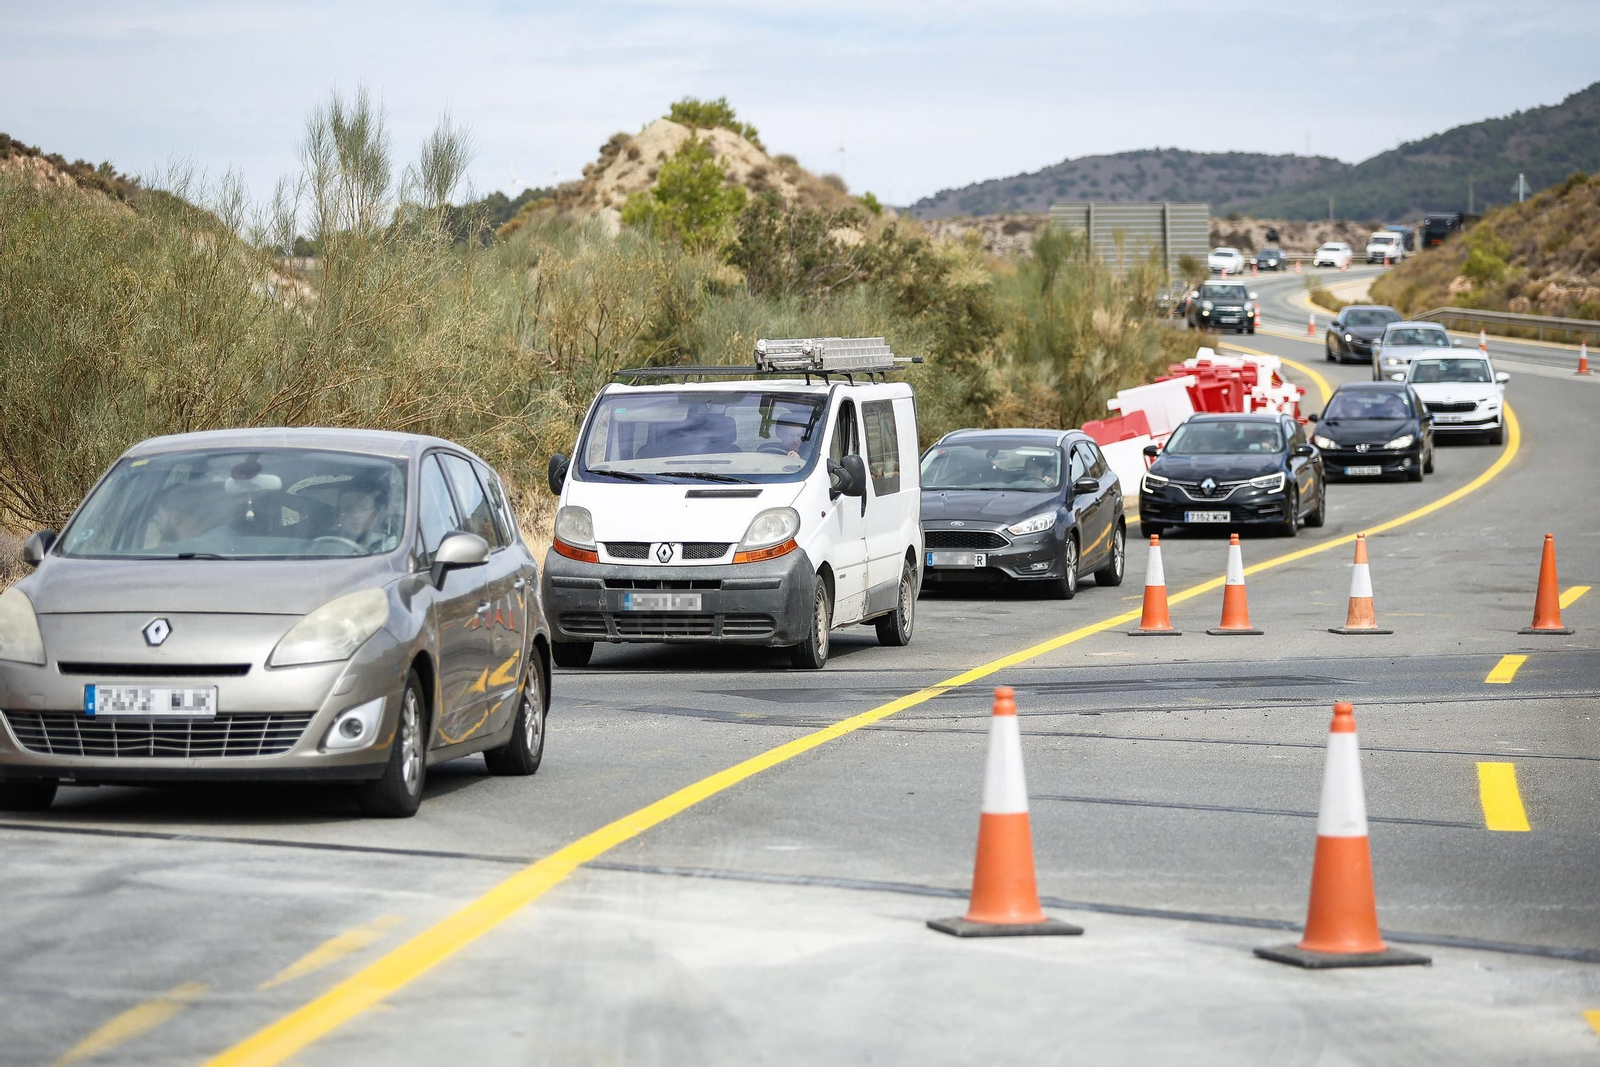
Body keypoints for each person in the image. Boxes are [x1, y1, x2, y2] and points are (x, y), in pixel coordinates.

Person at [332, 477, 391, 549]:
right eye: (348, 508)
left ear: (375, 515)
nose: (356, 515)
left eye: (364, 508)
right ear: (337, 515)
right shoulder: (323, 547)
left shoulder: (389, 546)